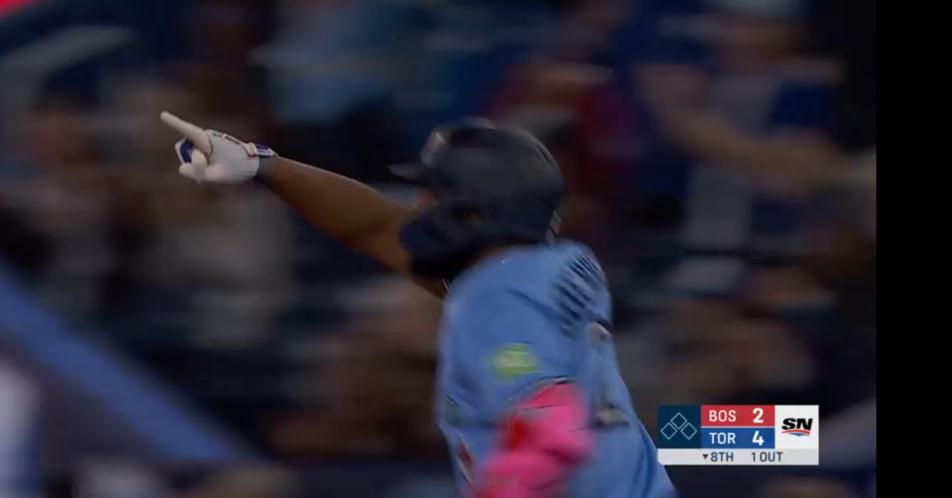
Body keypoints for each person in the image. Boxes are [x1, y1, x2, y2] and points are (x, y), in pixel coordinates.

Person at [159, 112, 675, 498]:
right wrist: (262, 165)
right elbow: (378, 227)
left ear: (476, 214)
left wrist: (507, 484)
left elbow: (552, 421)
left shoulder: (491, 306)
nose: (420, 209)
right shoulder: (564, 264)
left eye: (434, 196)